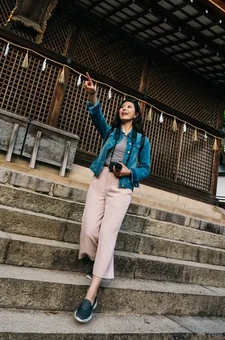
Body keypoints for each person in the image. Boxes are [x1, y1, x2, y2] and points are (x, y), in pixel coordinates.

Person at [74, 72, 152, 323]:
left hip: (122, 186)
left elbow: (146, 168)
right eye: (122, 106)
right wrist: (92, 94)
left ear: (136, 114)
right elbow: (96, 115)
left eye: (129, 107)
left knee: (108, 233)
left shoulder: (142, 140)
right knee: (89, 230)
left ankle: (91, 294)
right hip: (100, 180)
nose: (124, 109)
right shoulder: (111, 132)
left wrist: (131, 171)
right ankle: (99, 263)